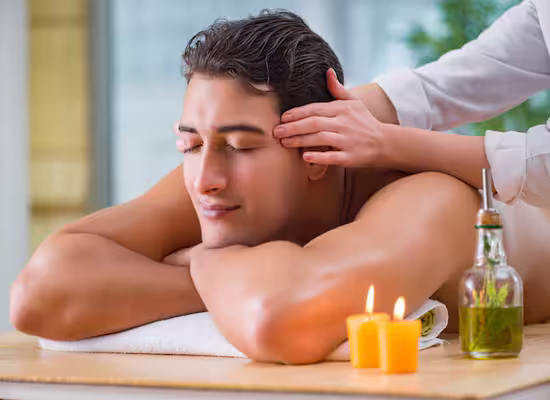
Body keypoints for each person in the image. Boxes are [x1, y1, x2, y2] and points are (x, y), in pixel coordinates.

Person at [11, 11, 493, 365]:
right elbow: (39, 294)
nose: (205, 180)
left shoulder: (430, 195)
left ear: (317, 148)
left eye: (240, 146)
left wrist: (201, 257)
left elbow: (278, 320)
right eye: (190, 144)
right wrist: (219, 279)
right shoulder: (217, 177)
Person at [275, 0, 550, 208]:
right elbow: (469, 77)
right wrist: (327, 112)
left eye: (251, 147)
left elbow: (539, 164)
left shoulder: (420, 208)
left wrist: (385, 141)